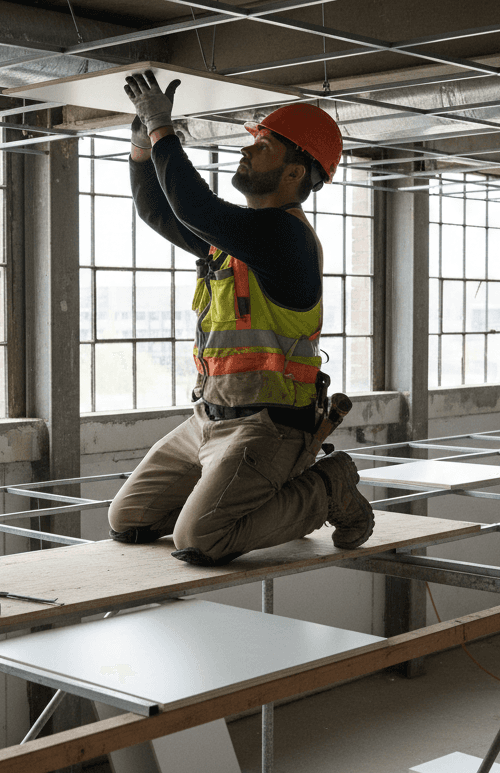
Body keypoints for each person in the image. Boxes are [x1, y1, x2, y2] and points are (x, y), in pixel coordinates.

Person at [107, 71, 374, 566]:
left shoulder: (286, 240)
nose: (247, 151)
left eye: (265, 145)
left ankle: (326, 488)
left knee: (201, 540)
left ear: (296, 172)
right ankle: (236, 497)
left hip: (268, 429)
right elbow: (159, 210)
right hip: (206, 420)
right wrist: (143, 147)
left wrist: (163, 128)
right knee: (130, 521)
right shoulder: (237, 241)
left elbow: (194, 207)